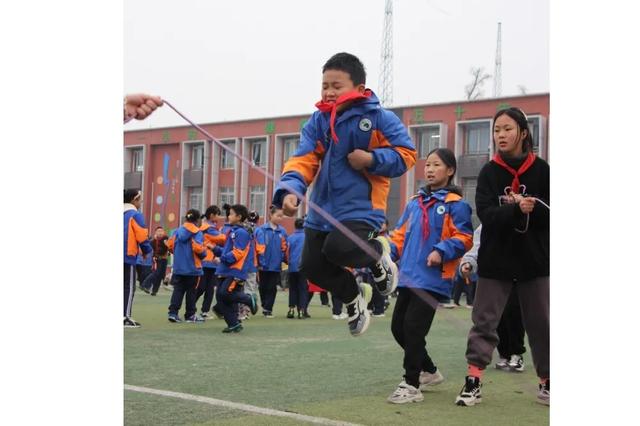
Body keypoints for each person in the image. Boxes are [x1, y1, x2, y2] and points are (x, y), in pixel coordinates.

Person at [272, 52, 416, 336]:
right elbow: (303, 159)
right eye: (325, 85)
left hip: (362, 208)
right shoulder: (317, 122)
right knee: (312, 267)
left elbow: (407, 155)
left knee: (339, 248)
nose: (328, 92)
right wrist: (290, 191)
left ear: (359, 88)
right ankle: (354, 298)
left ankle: (379, 258)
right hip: (321, 210)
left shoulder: (379, 119)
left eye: (336, 86)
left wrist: (371, 160)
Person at [455, 107, 550, 407]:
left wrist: (533, 209)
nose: (501, 135)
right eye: (497, 130)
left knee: (542, 324)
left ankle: (548, 382)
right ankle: (473, 380)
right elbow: (485, 213)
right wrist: (514, 209)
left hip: (535, 262)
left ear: (523, 132)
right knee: (483, 321)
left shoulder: (544, 170)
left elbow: (552, 217)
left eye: (507, 129)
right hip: (496, 261)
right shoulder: (489, 172)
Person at [385, 148, 473, 404]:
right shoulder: (414, 202)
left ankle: (411, 384)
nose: (430, 169)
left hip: (433, 278)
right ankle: (430, 371)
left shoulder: (456, 205)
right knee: (398, 328)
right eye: (428, 165)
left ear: (450, 170)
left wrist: (441, 251)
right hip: (408, 275)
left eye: (437, 165)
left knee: (413, 328)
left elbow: (464, 237)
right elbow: (399, 235)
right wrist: (386, 252)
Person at [213, 204, 258, 333]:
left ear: (239, 217)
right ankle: (233, 323)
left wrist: (222, 258)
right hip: (225, 269)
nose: (228, 216)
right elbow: (228, 250)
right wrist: (215, 249)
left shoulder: (242, 232)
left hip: (235, 270)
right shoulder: (232, 231)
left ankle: (249, 299)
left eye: (231, 214)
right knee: (221, 297)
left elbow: (238, 253)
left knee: (225, 293)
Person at [166, 209, 207, 323]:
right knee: (191, 292)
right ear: (197, 220)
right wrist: (204, 253)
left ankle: (173, 313)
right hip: (193, 268)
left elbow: (169, 245)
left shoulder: (177, 231)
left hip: (179, 267)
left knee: (178, 290)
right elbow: (198, 248)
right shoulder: (197, 233)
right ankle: (190, 314)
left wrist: (179, 254)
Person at [124, 189, 153, 328]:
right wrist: (147, 250)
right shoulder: (135, 215)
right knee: (128, 287)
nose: (141, 202)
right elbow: (142, 236)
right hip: (127, 254)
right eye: (140, 199)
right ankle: (125, 316)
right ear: (134, 200)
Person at [255, 206, 288, 318]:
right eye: (278, 215)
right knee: (262, 286)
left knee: (272, 287)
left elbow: (284, 247)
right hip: (263, 265)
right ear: (271, 215)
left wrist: (282, 258)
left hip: (276, 264)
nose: (280, 218)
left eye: (281, 216)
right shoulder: (261, 230)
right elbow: (259, 247)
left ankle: (268, 309)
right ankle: (264, 305)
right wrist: (260, 262)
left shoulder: (282, 231)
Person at [196, 206, 226, 318]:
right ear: (212, 215)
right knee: (204, 288)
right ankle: (197, 309)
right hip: (208, 261)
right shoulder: (208, 228)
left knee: (207, 288)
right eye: (218, 214)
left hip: (209, 262)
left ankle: (201, 310)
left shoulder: (206, 227)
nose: (219, 217)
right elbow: (222, 239)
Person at [451, 225, 481, 308]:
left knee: (468, 286)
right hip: (466, 267)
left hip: (467, 268)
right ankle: (462, 302)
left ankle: (468, 302)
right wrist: (467, 262)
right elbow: (475, 246)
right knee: (463, 286)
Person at [286, 218, 309, 319]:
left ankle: (291, 309)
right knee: (303, 289)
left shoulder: (290, 237)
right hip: (303, 267)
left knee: (293, 288)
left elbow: (286, 252)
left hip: (292, 267)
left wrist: (288, 262)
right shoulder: (307, 237)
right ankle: (301, 310)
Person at [141, 226, 170, 296]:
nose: (160, 233)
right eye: (158, 231)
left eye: (161, 231)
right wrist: (153, 256)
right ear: (156, 233)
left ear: (163, 232)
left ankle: (154, 291)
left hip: (164, 259)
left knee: (160, 275)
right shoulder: (153, 241)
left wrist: (168, 247)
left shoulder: (165, 238)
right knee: (156, 273)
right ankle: (145, 285)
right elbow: (151, 249)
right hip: (157, 259)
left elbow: (168, 245)